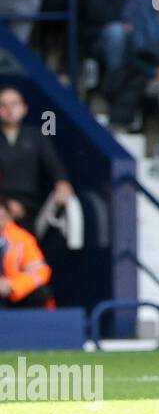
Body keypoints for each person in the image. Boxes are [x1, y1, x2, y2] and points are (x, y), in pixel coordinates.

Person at [0, 89, 73, 225]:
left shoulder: (36, 136)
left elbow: (53, 163)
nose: (9, 109)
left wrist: (62, 182)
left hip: (30, 207)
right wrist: (5, 204)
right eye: (3, 105)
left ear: (24, 108)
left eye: (13, 104)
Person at [0, 196, 52, 308]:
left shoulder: (21, 239)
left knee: (40, 294)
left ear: (9, 218)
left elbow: (41, 271)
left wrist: (13, 285)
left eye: (2, 218)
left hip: (11, 294)